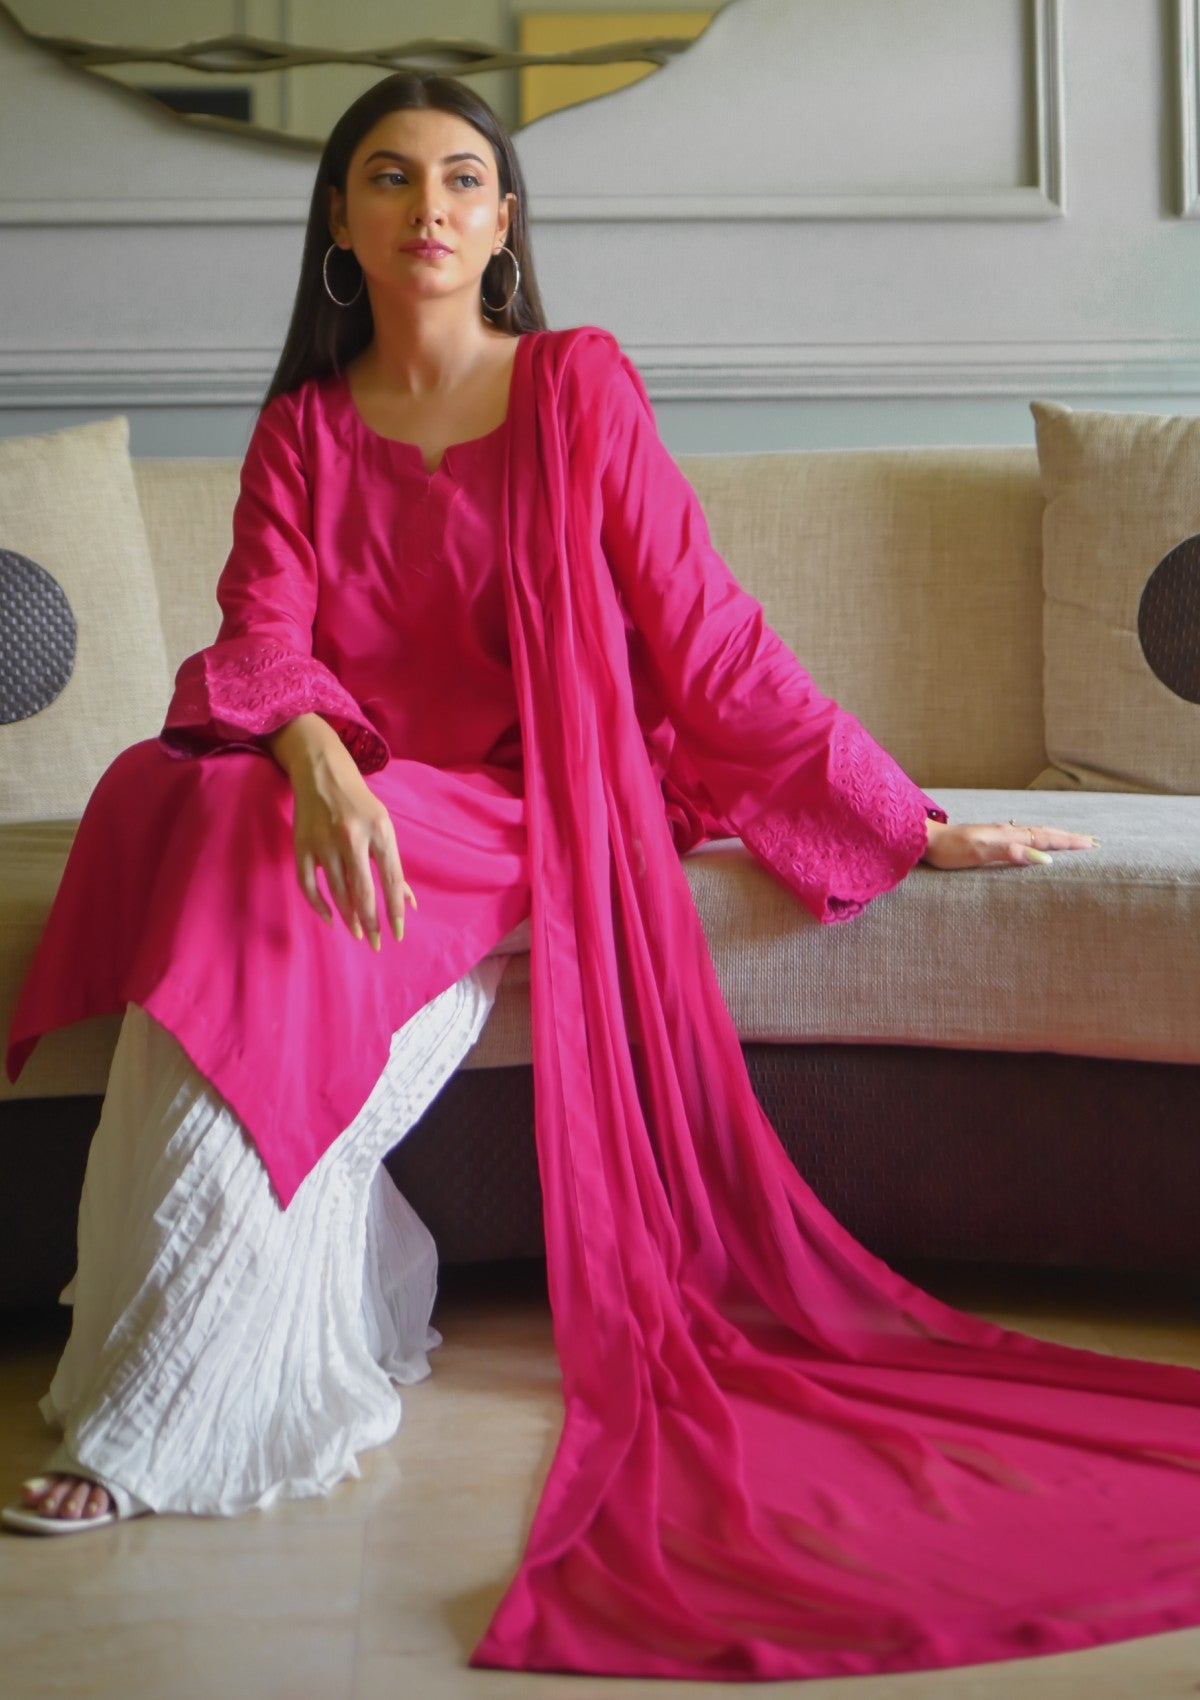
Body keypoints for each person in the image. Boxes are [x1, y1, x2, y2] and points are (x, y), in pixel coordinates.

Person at [5, 71, 1199, 1686]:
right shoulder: (304, 429)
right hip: (352, 797)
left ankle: (154, 1412)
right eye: (388, 177)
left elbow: (711, 642)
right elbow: (261, 639)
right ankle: (161, 1365)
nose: (428, 206)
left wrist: (904, 820)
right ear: (340, 222)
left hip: (524, 806)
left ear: (503, 224)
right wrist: (318, 757)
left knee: (235, 825)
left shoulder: (578, 387)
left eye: (461, 179)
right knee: (192, 790)